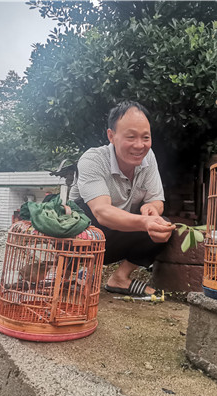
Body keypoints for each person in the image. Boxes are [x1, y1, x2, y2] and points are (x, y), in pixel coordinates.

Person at [70, 101, 175, 296]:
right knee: (83, 212)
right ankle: (73, 271)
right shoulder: (92, 160)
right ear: (112, 136)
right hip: (81, 241)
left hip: (114, 239)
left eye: (145, 137)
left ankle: (120, 278)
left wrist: (151, 210)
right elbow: (102, 213)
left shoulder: (148, 157)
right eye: (131, 137)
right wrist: (145, 221)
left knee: (163, 225)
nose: (139, 145)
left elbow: (157, 200)